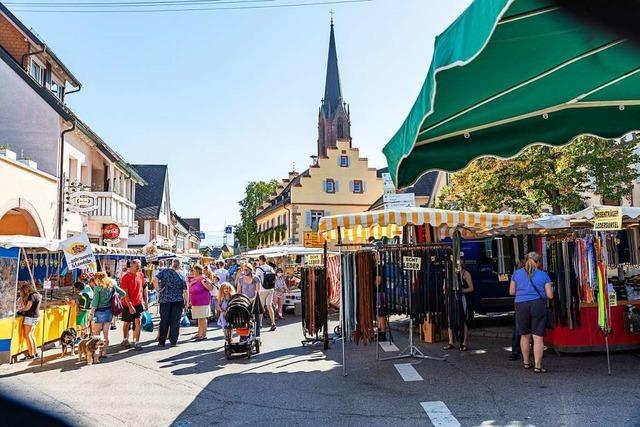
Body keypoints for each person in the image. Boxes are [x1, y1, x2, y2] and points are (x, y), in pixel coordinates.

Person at [509, 251, 553, 373]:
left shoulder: (516, 274)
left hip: (521, 305)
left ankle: (526, 362)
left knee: (524, 335)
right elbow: (550, 295)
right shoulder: (543, 275)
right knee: (538, 337)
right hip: (538, 304)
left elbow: (511, 292)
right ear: (538, 262)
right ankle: (538, 366)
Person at [89, 272, 126, 358]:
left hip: (99, 312)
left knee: (96, 334)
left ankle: (96, 354)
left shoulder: (98, 288)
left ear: (98, 279)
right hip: (109, 311)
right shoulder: (111, 285)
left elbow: (95, 302)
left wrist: (91, 314)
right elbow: (123, 293)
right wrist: (116, 298)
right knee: (106, 333)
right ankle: (104, 352)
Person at [154, 259, 188, 347]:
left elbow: (154, 279)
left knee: (164, 320)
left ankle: (162, 341)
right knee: (175, 321)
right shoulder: (182, 275)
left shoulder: (164, 272)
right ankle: (173, 341)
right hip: (177, 301)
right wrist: (187, 302)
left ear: (172, 264)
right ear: (180, 265)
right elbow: (185, 291)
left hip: (165, 300)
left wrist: (158, 290)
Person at [443, 259, 474, 352]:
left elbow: (471, 288)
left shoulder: (465, 274)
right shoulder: (449, 274)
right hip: (451, 298)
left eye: (459, 263)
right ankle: (451, 342)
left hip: (461, 298)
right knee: (450, 318)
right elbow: (444, 287)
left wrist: (461, 291)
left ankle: (464, 343)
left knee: (462, 318)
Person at [119, 259, 147, 351]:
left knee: (138, 321)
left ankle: (136, 342)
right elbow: (125, 293)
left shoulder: (141, 275)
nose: (139, 268)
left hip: (138, 303)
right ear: (131, 266)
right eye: (137, 266)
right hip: (127, 304)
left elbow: (143, 288)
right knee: (127, 323)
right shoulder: (125, 277)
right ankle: (125, 339)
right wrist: (130, 305)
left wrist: (145, 301)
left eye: (139, 266)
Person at [16, 282, 42, 361]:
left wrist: (18, 310)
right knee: (31, 335)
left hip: (30, 317)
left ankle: (31, 355)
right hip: (35, 316)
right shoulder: (37, 295)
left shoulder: (31, 296)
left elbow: (27, 308)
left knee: (27, 336)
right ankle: (35, 353)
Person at [188, 265, 214, 341]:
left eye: (193, 270)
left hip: (203, 300)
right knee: (199, 318)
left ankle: (203, 334)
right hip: (195, 301)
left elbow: (210, 288)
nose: (192, 271)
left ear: (197, 270)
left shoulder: (204, 278)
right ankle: (199, 333)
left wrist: (205, 283)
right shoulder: (194, 279)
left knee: (203, 317)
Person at [236, 263, 262, 338]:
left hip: (254, 300)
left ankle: (257, 336)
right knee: (243, 319)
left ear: (250, 270)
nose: (245, 271)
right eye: (243, 270)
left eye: (246, 270)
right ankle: (243, 336)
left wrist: (254, 298)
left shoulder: (256, 278)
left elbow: (258, 291)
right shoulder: (241, 279)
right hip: (244, 301)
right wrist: (239, 299)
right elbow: (238, 291)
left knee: (256, 319)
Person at [256, 255, 276, 331]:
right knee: (269, 306)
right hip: (270, 289)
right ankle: (273, 323)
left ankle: (260, 324)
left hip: (263, 289)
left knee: (261, 307)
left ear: (260, 260)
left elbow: (257, 280)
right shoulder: (270, 268)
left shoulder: (259, 269)